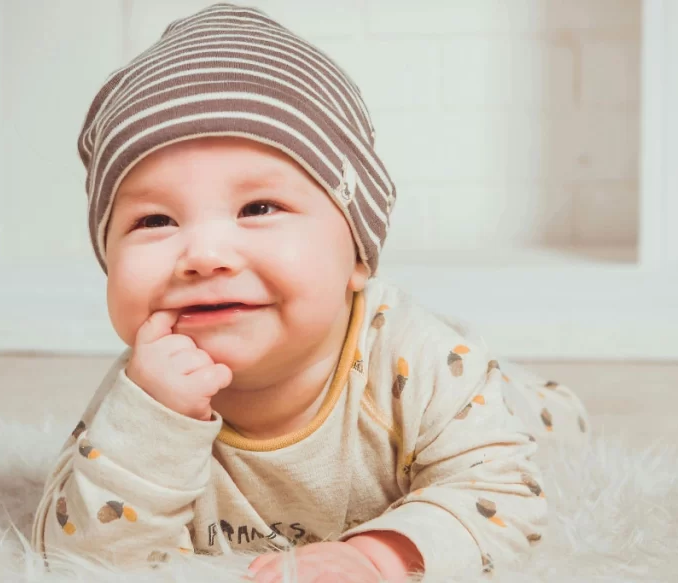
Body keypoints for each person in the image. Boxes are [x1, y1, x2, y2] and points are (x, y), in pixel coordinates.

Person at [32, 4, 589, 580]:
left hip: (477, 395)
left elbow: (501, 494)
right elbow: (75, 554)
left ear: (357, 255)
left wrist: (379, 556)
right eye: (154, 221)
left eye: (258, 208)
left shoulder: (418, 362)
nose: (202, 255)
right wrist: (152, 428)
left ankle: (527, 391)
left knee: (523, 420)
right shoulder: (144, 394)